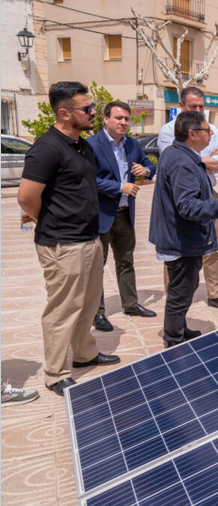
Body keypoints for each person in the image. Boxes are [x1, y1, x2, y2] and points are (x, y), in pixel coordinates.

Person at [17, 81, 120, 396]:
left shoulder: (82, 146)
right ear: (64, 113)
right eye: (86, 109)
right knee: (63, 309)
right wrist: (42, 216)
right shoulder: (46, 149)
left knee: (87, 305)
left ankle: (84, 353)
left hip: (89, 239)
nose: (93, 112)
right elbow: (26, 196)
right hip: (62, 244)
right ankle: (56, 373)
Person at [149, 111, 218, 348]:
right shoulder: (183, 162)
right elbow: (188, 206)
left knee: (187, 287)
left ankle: (180, 329)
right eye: (206, 130)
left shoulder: (178, 153)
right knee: (180, 292)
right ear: (192, 134)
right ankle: (173, 340)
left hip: (181, 238)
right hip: (181, 240)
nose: (211, 133)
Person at [157, 86, 218, 312]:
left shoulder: (211, 128)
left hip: (209, 194)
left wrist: (200, 160)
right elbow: (177, 161)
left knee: (211, 247)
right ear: (181, 106)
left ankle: (214, 294)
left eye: (202, 106)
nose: (200, 111)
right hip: (179, 198)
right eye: (194, 107)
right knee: (176, 251)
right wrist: (207, 160)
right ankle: (175, 299)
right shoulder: (167, 131)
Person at [87, 101, 158, 332]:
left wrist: (145, 170)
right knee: (97, 265)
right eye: (119, 118)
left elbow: (149, 164)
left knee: (126, 261)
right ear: (105, 119)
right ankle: (96, 314)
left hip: (126, 214)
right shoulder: (91, 145)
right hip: (101, 216)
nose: (124, 122)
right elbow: (88, 180)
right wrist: (120, 187)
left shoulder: (132, 144)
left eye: (127, 119)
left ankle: (130, 304)